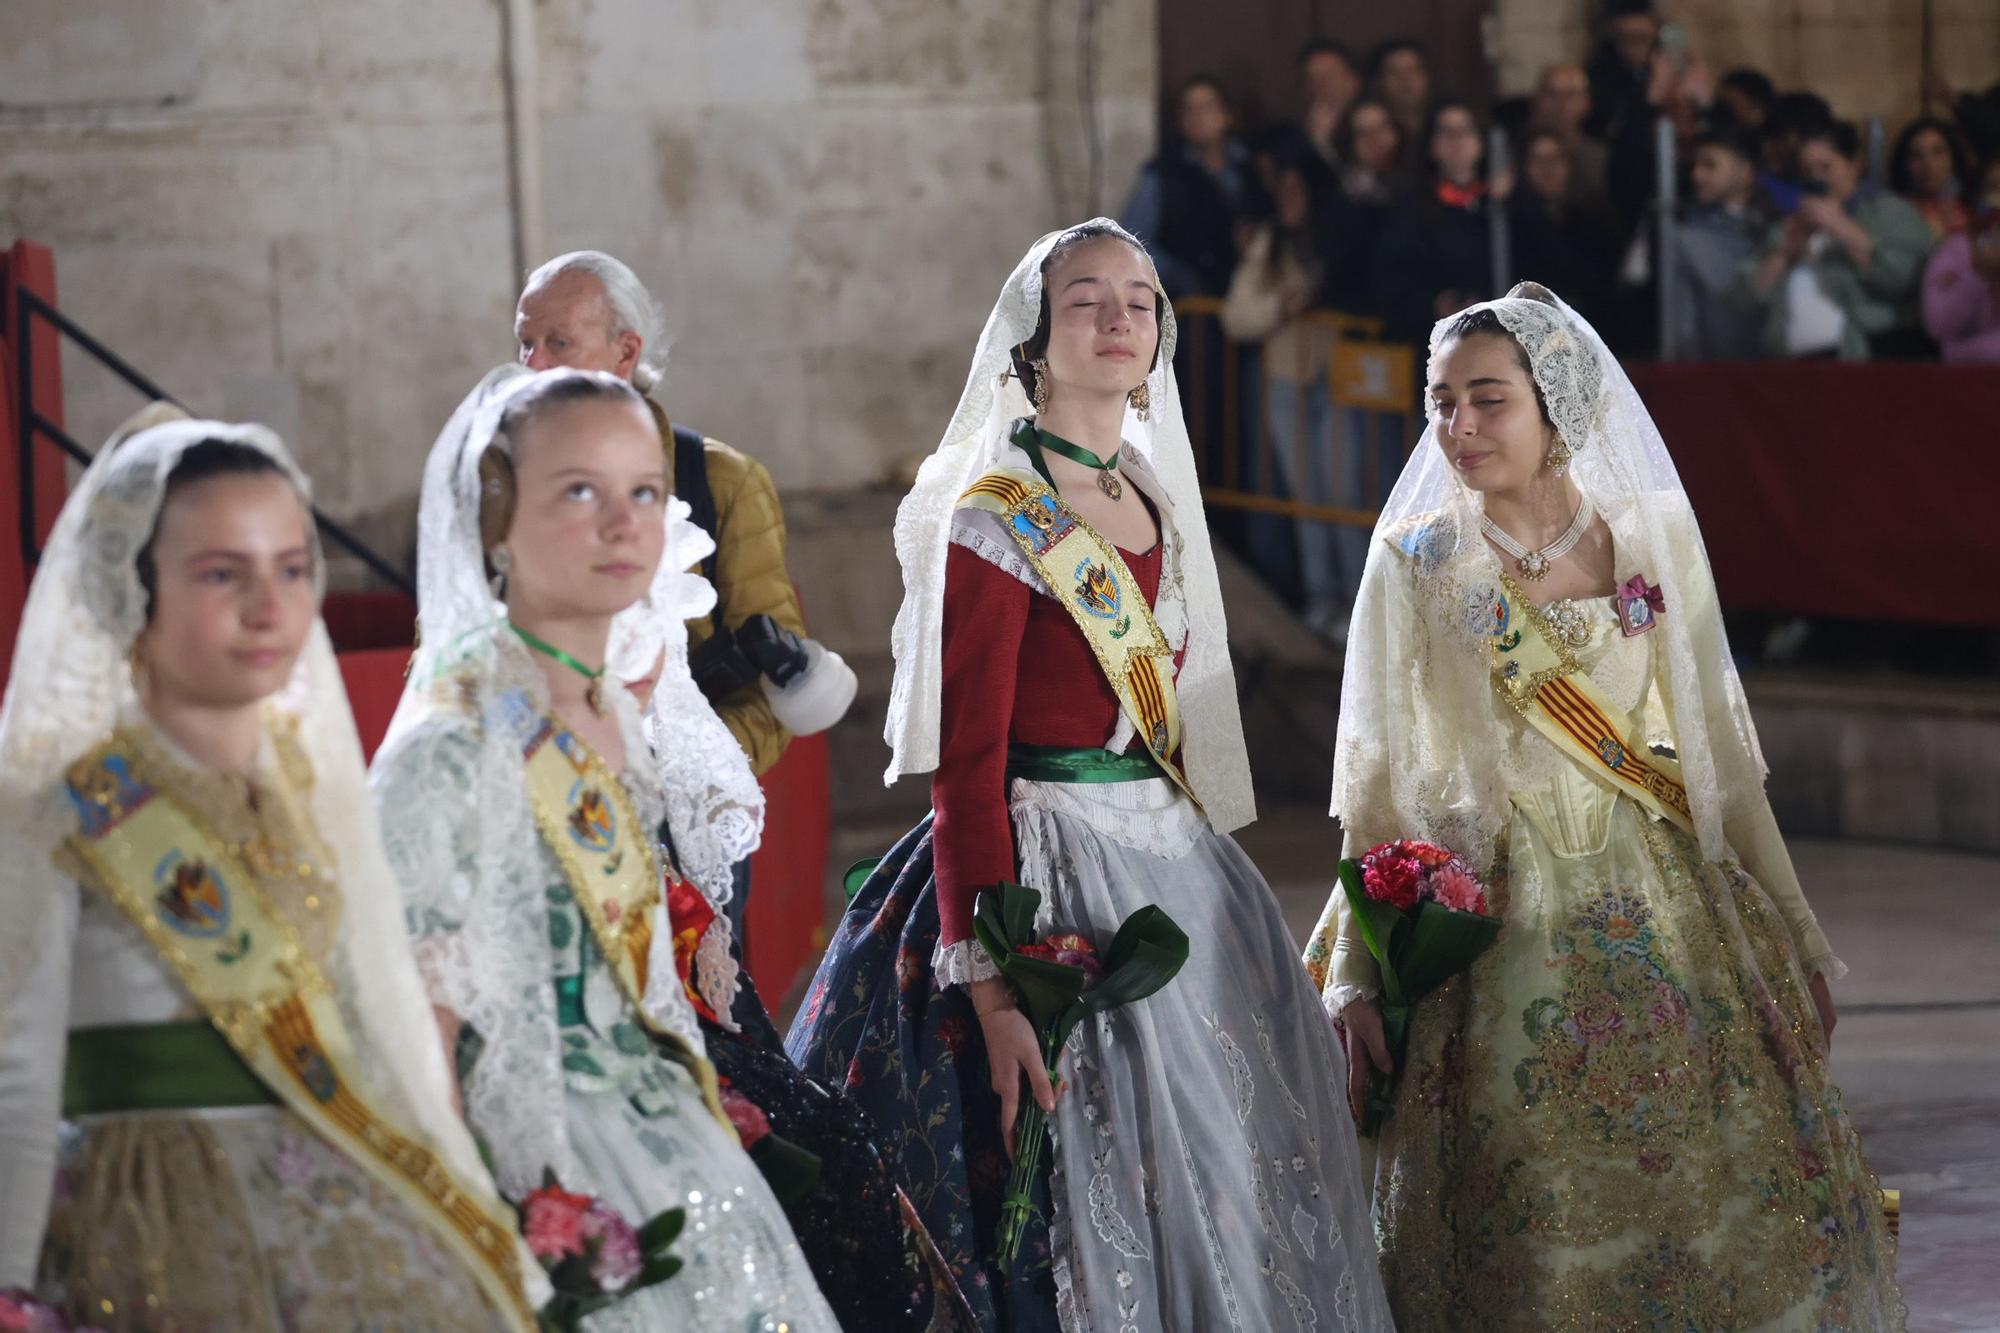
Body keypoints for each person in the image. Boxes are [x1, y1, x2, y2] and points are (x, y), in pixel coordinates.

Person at [787, 220, 1394, 1333]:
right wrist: (991, 980)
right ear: (1034, 340)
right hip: (1044, 868)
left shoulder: (1155, 495)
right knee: (1101, 1168)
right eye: (1085, 300)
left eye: (1139, 300)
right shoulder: (998, 515)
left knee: (1226, 1149)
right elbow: (965, 769)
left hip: (1174, 865)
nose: (1117, 319)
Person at [1304, 281, 1906, 1331]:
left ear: (1557, 406)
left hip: (1662, 900)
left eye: (1487, 399)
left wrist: (1796, 932)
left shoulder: (1652, 535)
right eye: (1439, 401)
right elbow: (1375, 783)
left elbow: (1717, 750)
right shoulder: (1413, 561)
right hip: (1486, 915)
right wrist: (1358, 969)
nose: (1458, 426)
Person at [0, 409, 544, 1330]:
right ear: (131, 588)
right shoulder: (63, 805)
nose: (270, 607)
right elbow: (16, 1052)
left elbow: (382, 1014)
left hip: (337, 1188)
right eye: (222, 573)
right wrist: (9, 1278)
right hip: (149, 1206)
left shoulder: (308, 788)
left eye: (292, 569)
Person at [370, 366, 839, 1332]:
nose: (625, 525)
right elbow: (416, 1040)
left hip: (666, 1144)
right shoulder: (454, 741)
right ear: (494, 517)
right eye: (578, 491)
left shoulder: (609, 711)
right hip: (538, 1170)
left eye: (645, 493)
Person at [515, 251, 854, 944]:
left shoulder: (720, 481)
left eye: (558, 343)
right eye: (524, 342)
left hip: (685, 829)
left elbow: (779, 680)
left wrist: (690, 769)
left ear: (625, 352)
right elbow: (446, 656)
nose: (533, 366)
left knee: (702, 1037)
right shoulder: (499, 487)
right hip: (543, 815)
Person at [1223, 158, 1350, 642]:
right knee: (1308, 499)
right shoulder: (1269, 246)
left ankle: (1356, 597)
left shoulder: (1335, 240)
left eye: (1299, 189)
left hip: (1340, 380)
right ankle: (1322, 599)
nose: (1290, 199)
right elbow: (1237, 316)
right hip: (1286, 379)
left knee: (1346, 495)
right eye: (1284, 190)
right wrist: (1284, 304)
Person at [1750, 120, 1934, 359]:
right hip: (1787, 366)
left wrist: (1842, 228)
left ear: (1855, 164)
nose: (1817, 179)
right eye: (1807, 171)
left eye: (1825, 168)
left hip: (1864, 357)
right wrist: (1785, 252)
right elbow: (1752, 298)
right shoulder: (1791, 221)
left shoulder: (1891, 211)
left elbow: (1904, 278)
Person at [1120, 77, 1268, 299]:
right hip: (1189, 304)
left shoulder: (1250, 167)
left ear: (1227, 115)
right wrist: (1180, 275)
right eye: (1189, 109)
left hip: (1249, 295)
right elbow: (1132, 245)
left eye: (1207, 107)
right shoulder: (1163, 173)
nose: (1197, 116)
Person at [1371, 101, 1500, 342]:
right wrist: (1433, 304)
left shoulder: (1498, 205)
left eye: (1465, 131)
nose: (1457, 140)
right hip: (1433, 343)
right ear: (1432, 145)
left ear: (1481, 143)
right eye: (1446, 132)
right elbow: (1391, 279)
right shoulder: (1411, 209)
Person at [1664, 128, 1772, 359]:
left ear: (1744, 172)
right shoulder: (1688, 238)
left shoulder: (1777, 227)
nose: (1697, 175)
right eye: (1695, 166)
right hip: (1716, 375)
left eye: (1710, 165)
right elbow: (1682, 324)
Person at [1508, 128, 1626, 324]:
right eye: (1537, 160)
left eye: (1555, 159)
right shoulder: (1514, 218)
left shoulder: (1595, 215)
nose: (1548, 168)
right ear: (1523, 168)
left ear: (1569, 164)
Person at [1922, 157, 2000, 363]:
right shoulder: (1955, 250)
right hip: (1967, 375)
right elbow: (1939, 326)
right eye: (1993, 187)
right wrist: (1977, 274)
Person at [1527, 62, 1610, 204]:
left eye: (1569, 95)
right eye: (1551, 94)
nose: (1560, 104)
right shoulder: (1518, 153)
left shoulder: (1601, 158)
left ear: (1586, 102)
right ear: (1538, 100)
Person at [1890, 116, 1976, 240]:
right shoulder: (1894, 213)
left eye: (1938, 152)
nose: (1928, 164)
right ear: (1904, 164)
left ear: (1953, 158)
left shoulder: (1974, 209)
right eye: (1915, 155)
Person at [1367, 38, 1433, 170]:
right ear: (1379, 81)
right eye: (1394, 72)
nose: (1405, 80)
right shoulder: (1369, 131)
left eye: (1414, 70)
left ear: (1427, 77)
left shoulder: (1443, 125)